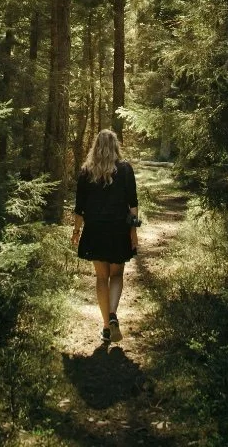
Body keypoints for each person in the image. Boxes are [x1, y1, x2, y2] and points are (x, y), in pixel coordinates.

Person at [71, 129, 139, 343]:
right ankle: (112, 316)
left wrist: (76, 231)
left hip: (95, 229)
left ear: (96, 147)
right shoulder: (126, 169)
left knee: (101, 278)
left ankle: (106, 327)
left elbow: (79, 208)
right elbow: (133, 205)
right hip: (119, 228)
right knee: (117, 275)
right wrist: (133, 232)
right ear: (115, 146)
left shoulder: (86, 171)